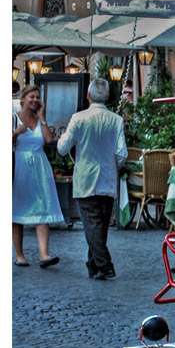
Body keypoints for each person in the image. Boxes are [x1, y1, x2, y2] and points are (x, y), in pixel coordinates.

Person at [57, 78, 128, 280]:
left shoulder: (78, 118)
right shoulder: (116, 120)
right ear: (107, 97)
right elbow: (121, 153)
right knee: (100, 225)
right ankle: (94, 265)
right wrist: (114, 166)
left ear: (88, 96)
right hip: (107, 177)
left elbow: (62, 149)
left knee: (92, 225)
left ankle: (104, 265)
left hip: (85, 177)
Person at [12, 84, 64, 267]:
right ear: (23, 98)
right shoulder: (13, 118)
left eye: (37, 97)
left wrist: (42, 117)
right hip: (20, 165)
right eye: (31, 97)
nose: (35, 100)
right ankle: (19, 255)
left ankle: (44, 254)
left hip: (40, 166)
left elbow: (49, 140)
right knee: (17, 210)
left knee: (43, 207)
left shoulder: (39, 119)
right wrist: (16, 133)